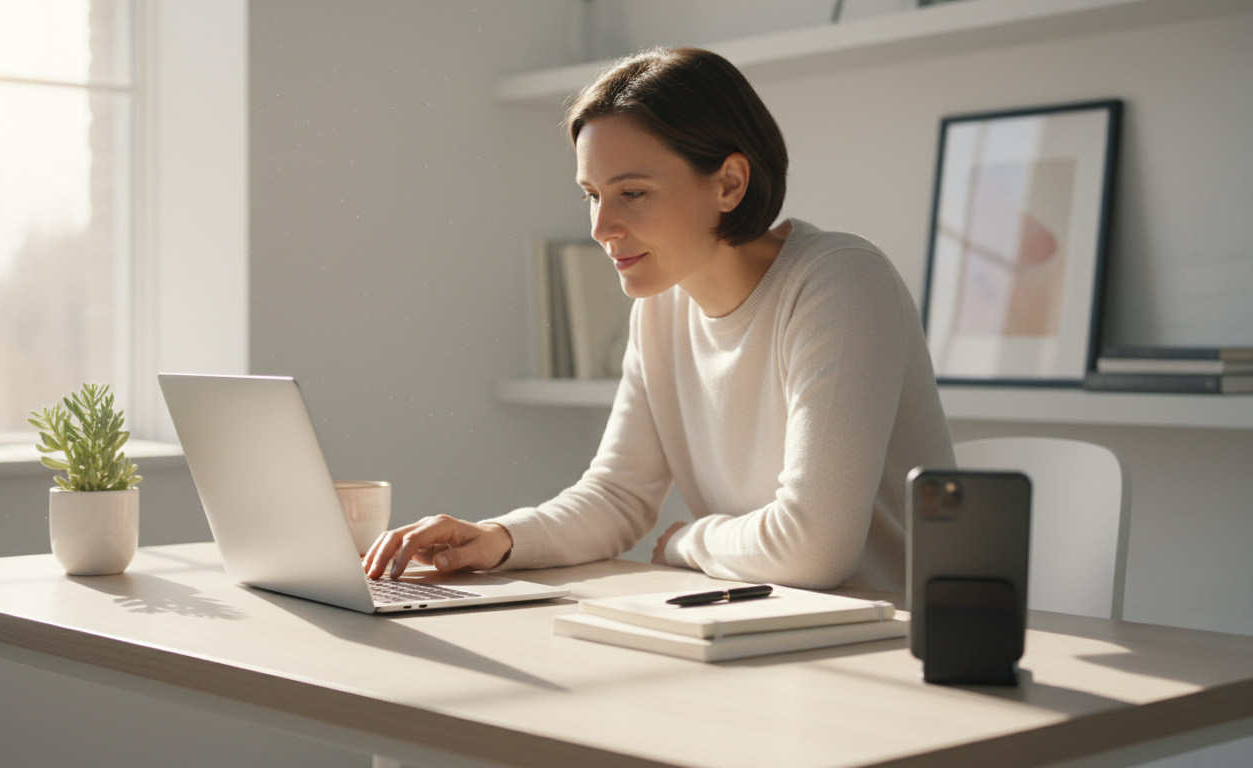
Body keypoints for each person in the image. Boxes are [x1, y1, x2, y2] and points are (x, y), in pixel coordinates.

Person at [364, 47, 954, 593]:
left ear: (729, 183)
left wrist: (687, 541)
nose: (600, 228)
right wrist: (500, 539)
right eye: (592, 194)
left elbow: (815, 549)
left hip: (890, 646)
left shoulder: (841, 282)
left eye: (634, 193)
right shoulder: (661, 307)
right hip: (758, 626)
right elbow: (618, 495)